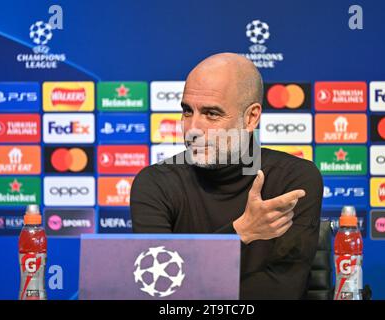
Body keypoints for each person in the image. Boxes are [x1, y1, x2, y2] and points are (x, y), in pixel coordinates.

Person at [130, 52, 323, 299]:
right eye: (187, 111)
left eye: (211, 114)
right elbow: (158, 287)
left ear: (251, 117)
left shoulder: (294, 180)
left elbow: (282, 291)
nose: (192, 129)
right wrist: (241, 232)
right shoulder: (155, 183)